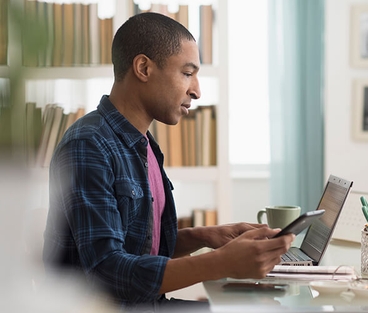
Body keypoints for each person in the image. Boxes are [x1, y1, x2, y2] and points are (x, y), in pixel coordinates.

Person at [42, 12, 294, 311]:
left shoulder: (142, 143)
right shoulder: (88, 144)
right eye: (187, 73)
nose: (197, 90)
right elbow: (106, 272)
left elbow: (137, 245)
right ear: (144, 68)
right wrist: (221, 263)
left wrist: (207, 236)